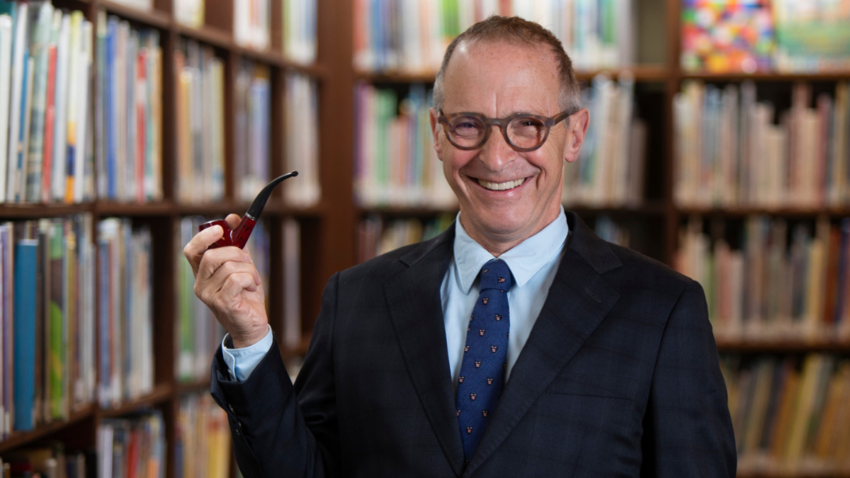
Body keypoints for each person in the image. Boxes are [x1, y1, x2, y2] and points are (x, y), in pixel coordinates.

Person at [183, 16, 736, 477]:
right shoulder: (357, 299)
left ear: (576, 134)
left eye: (528, 125)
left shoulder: (663, 312)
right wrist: (250, 338)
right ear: (437, 133)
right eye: (469, 125)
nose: (496, 158)